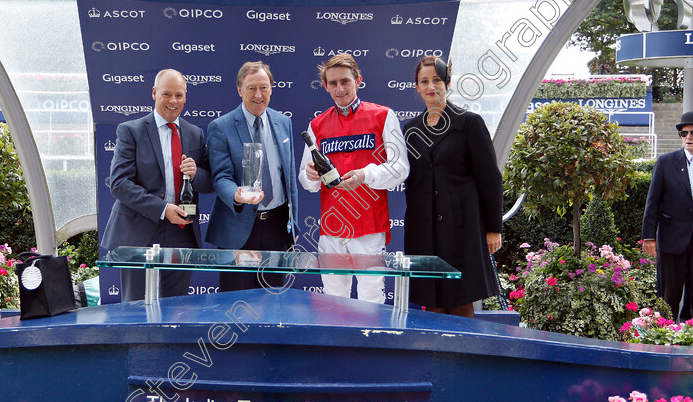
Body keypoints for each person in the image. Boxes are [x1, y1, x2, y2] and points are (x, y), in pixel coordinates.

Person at [298, 53, 409, 304]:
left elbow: (401, 167)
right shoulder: (317, 124)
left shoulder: (383, 116)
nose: (340, 89)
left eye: (345, 81)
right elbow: (307, 182)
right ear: (325, 86)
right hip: (331, 227)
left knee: (371, 301)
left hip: (368, 225)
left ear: (358, 81)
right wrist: (310, 175)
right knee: (333, 302)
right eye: (333, 83)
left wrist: (366, 174)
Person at [403, 56, 502, 318]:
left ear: (447, 83)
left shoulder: (470, 123)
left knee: (460, 302)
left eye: (437, 79)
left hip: (462, 229)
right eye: (424, 81)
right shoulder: (410, 129)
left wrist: (493, 229)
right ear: (417, 87)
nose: (430, 86)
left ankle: (463, 357)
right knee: (431, 303)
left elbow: (490, 179)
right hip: (424, 231)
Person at [100, 69, 212, 300]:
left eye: (179, 95)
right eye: (167, 94)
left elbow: (210, 183)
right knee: (136, 311)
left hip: (182, 233)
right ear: (154, 93)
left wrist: (196, 173)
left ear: (185, 97)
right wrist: (162, 209)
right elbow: (120, 183)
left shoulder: (195, 134)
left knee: (175, 311)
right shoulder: (131, 130)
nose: (173, 101)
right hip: (139, 234)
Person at [206, 61, 300, 292]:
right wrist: (237, 196)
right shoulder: (221, 127)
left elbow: (288, 178)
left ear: (271, 89)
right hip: (238, 226)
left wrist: (293, 225)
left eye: (264, 87)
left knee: (273, 297)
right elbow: (220, 177)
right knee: (234, 300)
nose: (258, 94)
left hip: (278, 227)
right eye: (251, 88)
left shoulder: (283, 122)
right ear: (239, 90)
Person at [642, 111, 693, 322]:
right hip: (672, 240)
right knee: (668, 295)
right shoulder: (665, 162)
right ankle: (666, 334)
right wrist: (648, 236)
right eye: (684, 133)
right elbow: (652, 202)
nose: (688, 137)